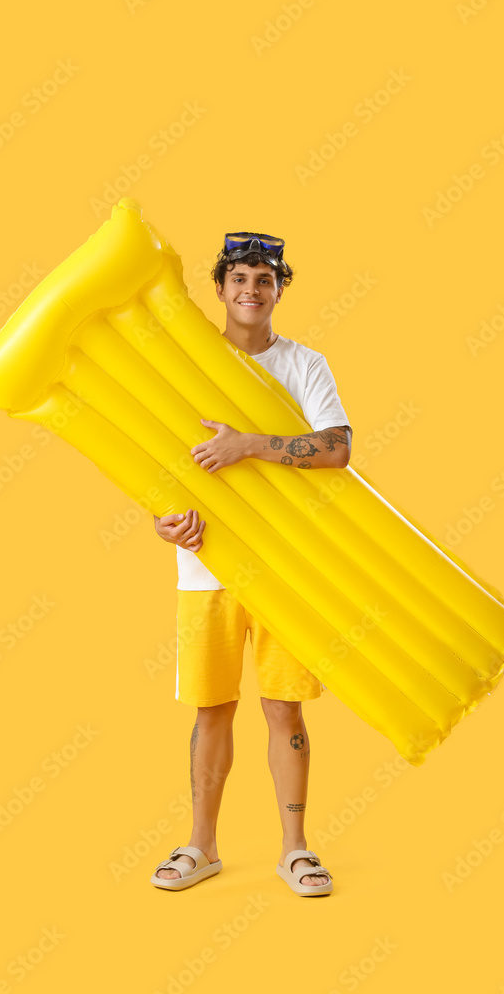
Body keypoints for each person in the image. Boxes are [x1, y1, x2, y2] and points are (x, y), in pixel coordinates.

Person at [150, 231, 352, 896]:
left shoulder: (304, 365)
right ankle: (199, 846)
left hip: (287, 565)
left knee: (284, 711)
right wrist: (164, 520)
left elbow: (335, 448)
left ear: (279, 289)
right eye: (238, 278)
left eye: (263, 279)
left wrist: (250, 445)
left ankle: (294, 850)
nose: (250, 290)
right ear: (219, 288)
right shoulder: (187, 364)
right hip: (204, 567)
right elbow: (159, 466)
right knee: (210, 710)